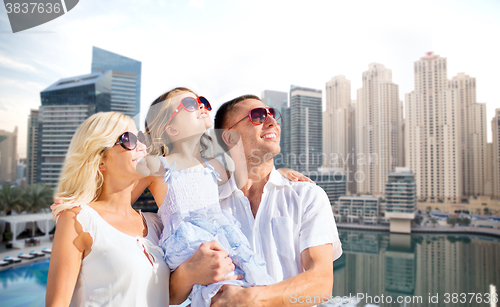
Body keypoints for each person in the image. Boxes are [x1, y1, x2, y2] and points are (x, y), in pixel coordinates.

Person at [169, 95, 343, 307]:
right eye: (258, 116)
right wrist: (187, 273)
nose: (272, 122)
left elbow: (321, 283)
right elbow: (171, 294)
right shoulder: (206, 203)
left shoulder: (307, 196)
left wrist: (251, 299)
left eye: (273, 114)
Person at [46, 112, 170, 307]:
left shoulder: (155, 224)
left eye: (141, 138)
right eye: (128, 139)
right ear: (100, 161)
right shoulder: (78, 220)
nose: (142, 146)